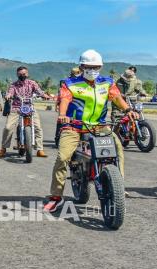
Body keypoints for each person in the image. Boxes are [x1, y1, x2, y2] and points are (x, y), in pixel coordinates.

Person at [43, 49, 136, 212]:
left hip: (99, 126)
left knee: (118, 149)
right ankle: (56, 196)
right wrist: (63, 115)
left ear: (100, 67)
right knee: (63, 157)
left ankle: (118, 185)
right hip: (74, 126)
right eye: (89, 67)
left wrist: (128, 110)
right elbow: (64, 99)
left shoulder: (107, 83)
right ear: (81, 66)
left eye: (96, 67)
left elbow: (116, 98)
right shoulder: (70, 84)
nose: (92, 70)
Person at [0, 66, 51, 158]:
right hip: (16, 108)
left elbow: (39, 91)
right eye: (20, 74)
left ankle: (40, 149)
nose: (22, 75)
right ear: (17, 75)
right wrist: (8, 96)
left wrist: (44, 95)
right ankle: (3, 148)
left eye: (24, 74)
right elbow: (10, 92)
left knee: (38, 128)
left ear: (27, 74)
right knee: (8, 128)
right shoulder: (13, 85)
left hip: (29, 108)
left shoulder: (32, 83)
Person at [54, 67, 82, 147]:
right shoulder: (67, 82)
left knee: (78, 122)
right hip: (66, 104)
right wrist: (58, 105)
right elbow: (61, 96)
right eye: (76, 73)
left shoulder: (81, 81)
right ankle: (58, 139)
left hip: (76, 106)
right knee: (63, 122)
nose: (77, 74)